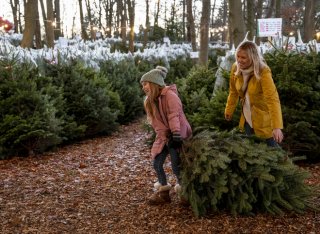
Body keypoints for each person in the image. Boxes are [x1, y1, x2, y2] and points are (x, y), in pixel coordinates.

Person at [140, 66, 192, 205]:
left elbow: (174, 116)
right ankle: (163, 193)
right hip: (164, 136)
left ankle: (185, 192)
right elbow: (156, 123)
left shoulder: (170, 96)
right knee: (157, 162)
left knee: (176, 165)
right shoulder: (149, 101)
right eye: (142, 85)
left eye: (145, 84)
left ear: (154, 83)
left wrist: (175, 135)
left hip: (177, 134)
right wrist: (164, 136)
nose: (143, 87)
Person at [225, 41, 284, 147]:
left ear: (253, 57)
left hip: (263, 119)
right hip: (247, 117)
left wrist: (276, 127)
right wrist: (229, 110)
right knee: (251, 151)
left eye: (243, 57)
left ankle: (287, 163)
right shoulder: (235, 68)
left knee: (273, 149)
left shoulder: (263, 72)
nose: (239, 60)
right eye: (238, 56)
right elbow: (233, 92)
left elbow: (272, 99)